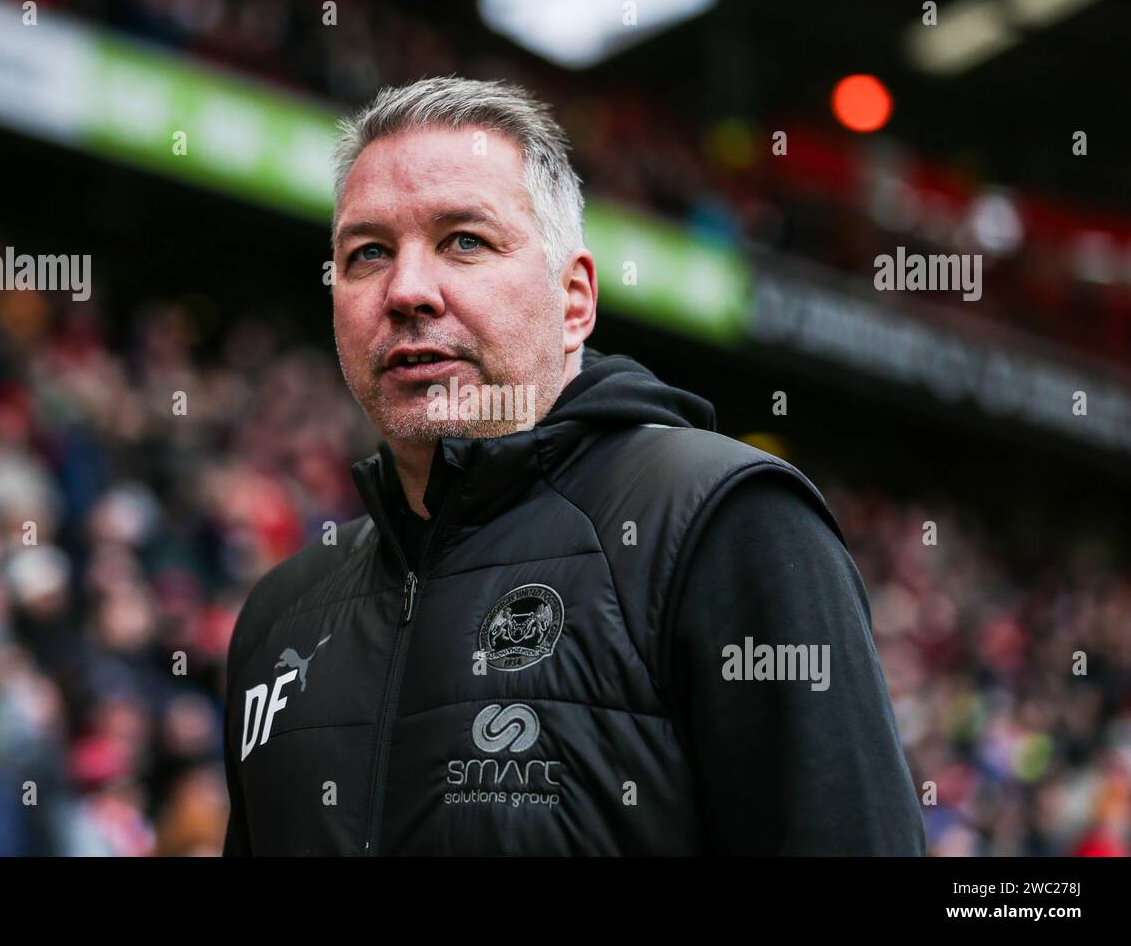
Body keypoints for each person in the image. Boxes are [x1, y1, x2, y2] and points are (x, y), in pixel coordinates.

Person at [222, 75, 926, 855]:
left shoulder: (725, 525)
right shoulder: (280, 617)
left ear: (575, 300)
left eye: (465, 241)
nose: (407, 290)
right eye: (367, 253)